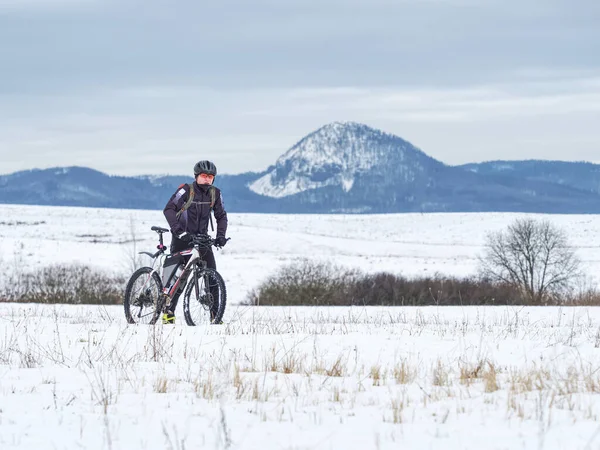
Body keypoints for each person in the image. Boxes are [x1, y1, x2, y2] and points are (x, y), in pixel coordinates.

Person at [162, 160, 228, 324]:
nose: (207, 179)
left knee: (212, 276)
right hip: (182, 238)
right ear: (197, 176)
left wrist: (220, 236)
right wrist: (178, 231)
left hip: (202, 239)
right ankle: (168, 312)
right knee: (178, 277)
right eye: (204, 176)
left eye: (210, 177)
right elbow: (169, 209)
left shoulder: (215, 193)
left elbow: (221, 216)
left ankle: (215, 316)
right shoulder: (185, 190)